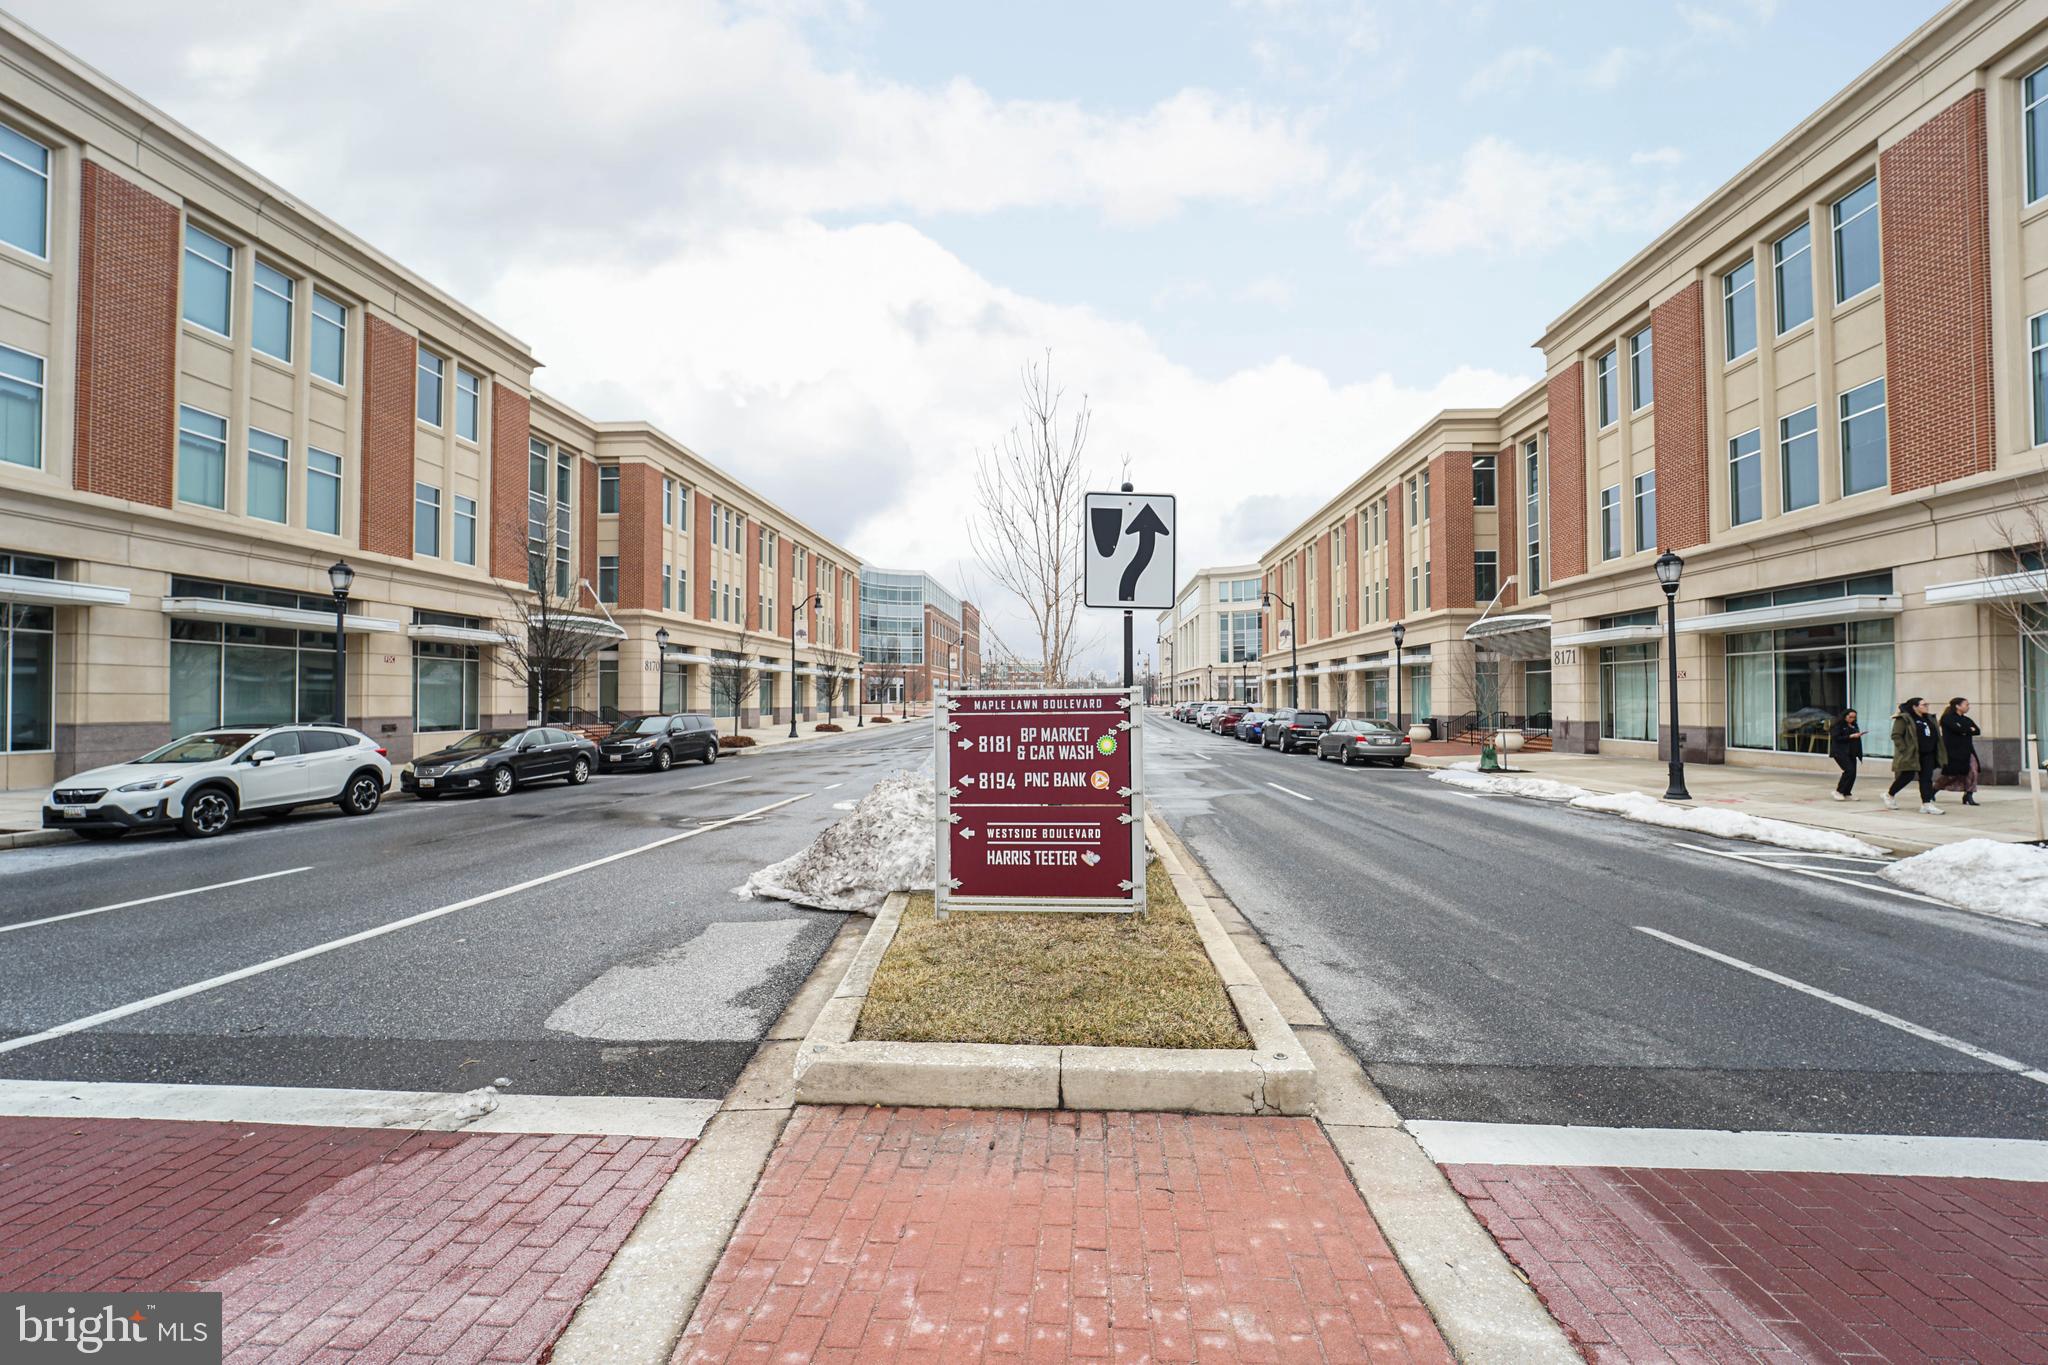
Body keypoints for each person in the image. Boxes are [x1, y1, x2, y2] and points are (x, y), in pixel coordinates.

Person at [1885, 697, 1946, 814]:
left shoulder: (1929, 718)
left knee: (1926, 778)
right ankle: (1889, 794)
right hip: (1913, 753)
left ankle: (1926, 803)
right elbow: (1896, 735)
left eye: (1927, 704)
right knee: (1907, 776)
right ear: (1915, 707)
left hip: (1928, 753)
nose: (1927, 707)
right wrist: (1904, 749)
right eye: (1923, 705)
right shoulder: (1904, 718)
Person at [1936, 697, 1982, 807]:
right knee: (1951, 775)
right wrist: (1967, 730)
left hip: (1968, 750)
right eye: (1966, 704)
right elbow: (1958, 729)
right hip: (1954, 751)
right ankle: (1934, 789)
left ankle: (1969, 795)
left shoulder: (1966, 719)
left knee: (1973, 771)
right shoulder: (1947, 718)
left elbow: (1977, 731)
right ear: (1957, 706)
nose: (1968, 707)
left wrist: (1965, 730)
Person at [1828, 709, 1864, 800]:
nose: (1852, 719)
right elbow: (1836, 738)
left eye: (1854, 717)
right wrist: (1850, 736)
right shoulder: (1838, 725)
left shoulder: (1854, 725)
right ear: (1845, 716)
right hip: (1840, 751)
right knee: (1849, 770)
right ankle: (1839, 791)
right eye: (1850, 717)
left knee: (1853, 773)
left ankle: (1847, 792)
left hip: (1852, 752)